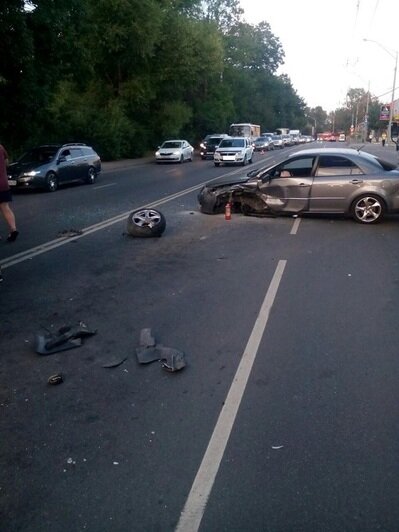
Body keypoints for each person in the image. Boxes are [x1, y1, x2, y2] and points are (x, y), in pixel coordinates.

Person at [0, 143, 18, 243]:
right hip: (3, 183)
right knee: (5, 208)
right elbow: (7, 162)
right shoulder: (1, 147)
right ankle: (13, 230)